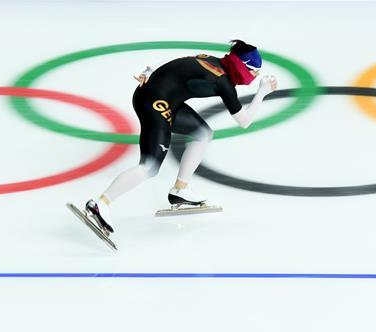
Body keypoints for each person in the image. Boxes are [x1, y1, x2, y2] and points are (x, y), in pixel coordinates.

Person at [81, 39, 278, 235]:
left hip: (160, 97)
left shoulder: (211, 60)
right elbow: (244, 121)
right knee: (149, 167)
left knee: (203, 133)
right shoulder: (223, 83)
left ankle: (180, 189)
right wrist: (262, 92)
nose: (256, 76)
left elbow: (177, 60)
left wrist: (150, 70)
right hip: (154, 103)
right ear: (242, 67)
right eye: (254, 71)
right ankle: (100, 203)